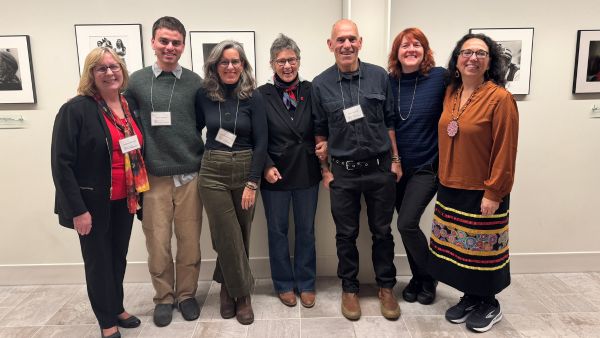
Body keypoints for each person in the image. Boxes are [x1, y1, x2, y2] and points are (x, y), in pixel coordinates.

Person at [51, 47, 148, 338]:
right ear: (91, 74)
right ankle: (106, 321)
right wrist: (77, 210)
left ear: (122, 70)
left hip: (125, 199)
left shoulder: (128, 105)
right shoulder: (76, 109)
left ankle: (116, 306)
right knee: (98, 262)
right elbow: (61, 164)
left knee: (118, 256)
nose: (109, 73)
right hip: (92, 203)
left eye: (114, 66)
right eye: (101, 68)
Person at [428, 33, 519, 333]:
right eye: (466, 52)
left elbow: (506, 149)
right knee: (461, 251)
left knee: (484, 253)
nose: (473, 58)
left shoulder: (500, 98)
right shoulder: (451, 92)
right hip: (451, 185)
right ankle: (470, 297)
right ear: (456, 60)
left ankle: (489, 304)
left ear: (490, 61)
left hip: (483, 189)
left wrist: (494, 192)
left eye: (480, 53)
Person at [312, 19, 402, 321]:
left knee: (383, 232)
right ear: (330, 45)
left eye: (351, 39)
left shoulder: (379, 77)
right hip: (343, 173)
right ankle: (349, 289)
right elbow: (319, 131)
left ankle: (386, 287)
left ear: (360, 42)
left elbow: (390, 121)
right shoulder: (320, 84)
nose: (346, 45)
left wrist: (395, 161)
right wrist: (325, 171)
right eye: (340, 40)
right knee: (345, 235)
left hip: (379, 171)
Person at [126, 16, 204, 327]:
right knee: (157, 242)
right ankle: (164, 297)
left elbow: (199, 121)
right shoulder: (136, 81)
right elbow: (124, 118)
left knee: (190, 241)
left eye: (176, 42)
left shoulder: (196, 82)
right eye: (164, 41)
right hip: (154, 177)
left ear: (183, 46)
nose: (170, 47)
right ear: (153, 43)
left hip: (189, 175)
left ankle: (186, 295)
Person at [196, 40, 267, 325]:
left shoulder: (254, 96)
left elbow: (262, 143)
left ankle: (227, 288)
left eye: (236, 61)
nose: (230, 66)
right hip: (212, 170)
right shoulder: (203, 95)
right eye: (224, 62)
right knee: (226, 234)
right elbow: (193, 130)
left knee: (241, 234)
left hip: (245, 169)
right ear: (215, 66)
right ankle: (243, 295)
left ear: (243, 65)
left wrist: (252, 183)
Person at [258, 34, 321, 308]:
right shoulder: (260, 95)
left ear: (298, 61)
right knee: (277, 231)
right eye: (281, 61)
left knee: (306, 230)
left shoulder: (311, 89)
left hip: (307, 170)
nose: (287, 66)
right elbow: (257, 136)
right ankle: (283, 283)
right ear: (272, 63)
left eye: (291, 60)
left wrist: (324, 145)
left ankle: (306, 283)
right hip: (275, 173)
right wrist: (266, 165)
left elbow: (320, 125)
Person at [387, 28, 446, 305]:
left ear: (425, 50)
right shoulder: (390, 82)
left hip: (427, 166)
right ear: (396, 52)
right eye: (404, 45)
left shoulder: (439, 77)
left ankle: (430, 276)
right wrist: (395, 159)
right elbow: (387, 124)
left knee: (406, 222)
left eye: (416, 45)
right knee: (405, 227)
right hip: (398, 170)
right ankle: (418, 278)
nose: (410, 49)